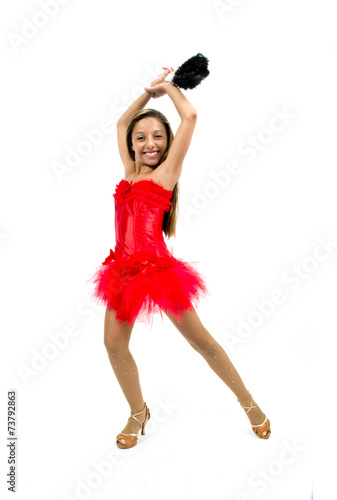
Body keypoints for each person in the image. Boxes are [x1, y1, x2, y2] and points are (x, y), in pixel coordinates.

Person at [88, 67, 271, 448]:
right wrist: (146, 96)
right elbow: (123, 120)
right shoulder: (129, 172)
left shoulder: (166, 175)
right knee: (113, 345)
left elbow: (190, 115)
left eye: (158, 136)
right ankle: (138, 412)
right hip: (121, 271)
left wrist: (167, 88)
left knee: (201, 342)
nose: (149, 143)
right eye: (141, 138)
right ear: (132, 144)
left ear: (168, 143)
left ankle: (250, 404)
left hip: (156, 271)